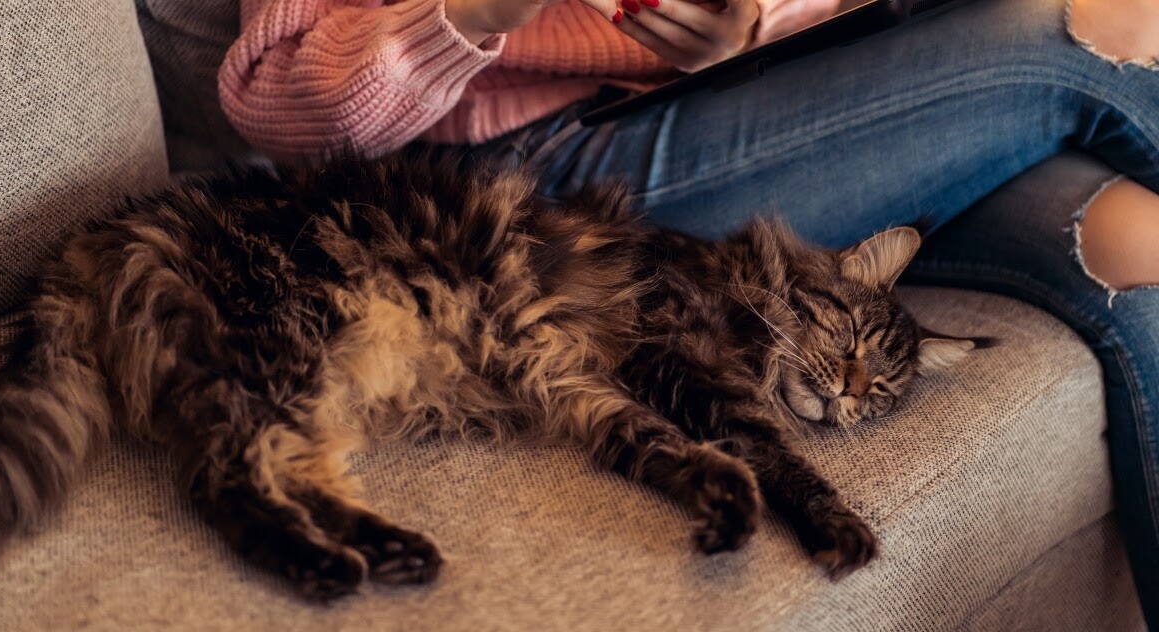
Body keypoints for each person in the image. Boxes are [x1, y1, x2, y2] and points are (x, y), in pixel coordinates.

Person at [218, 0, 1159, 624]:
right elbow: (279, 106)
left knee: (1137, 249)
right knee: (1099, 30)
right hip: (534, 180)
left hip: (769, 94)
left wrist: (746, 23)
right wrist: (471, 13)